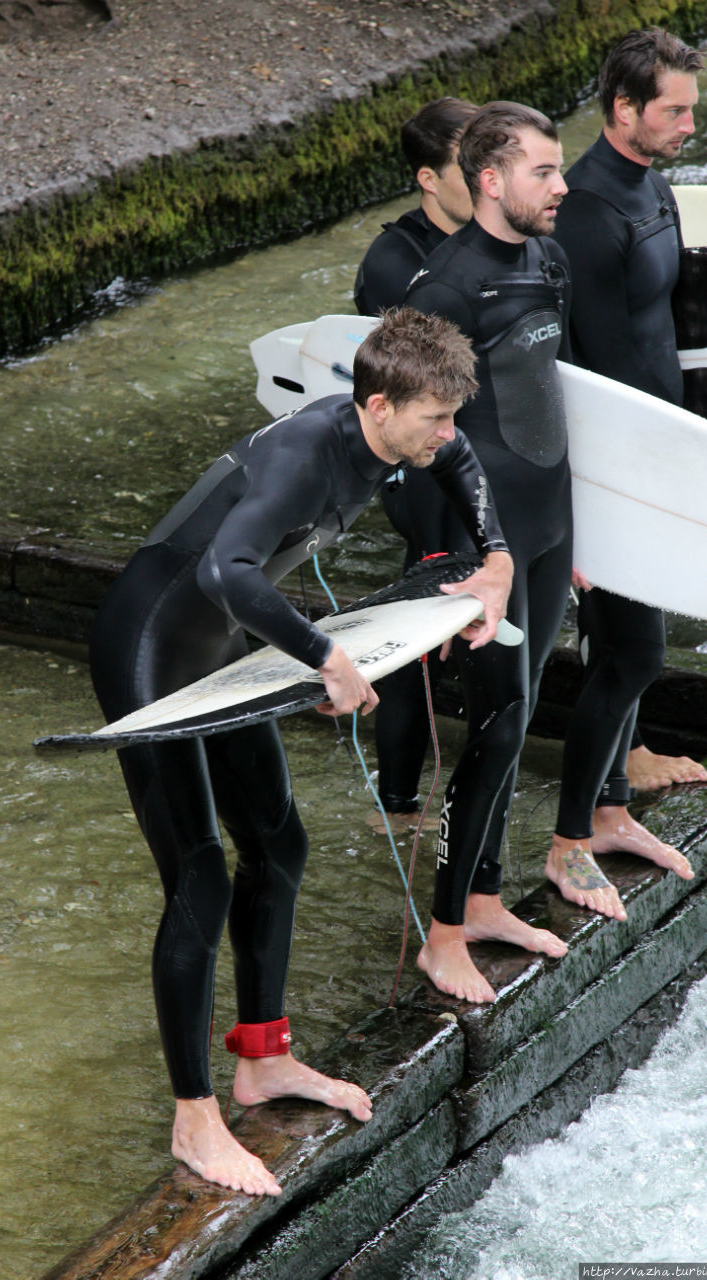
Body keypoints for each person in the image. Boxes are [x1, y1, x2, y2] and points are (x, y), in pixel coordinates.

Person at [89, 307, 514, 1196]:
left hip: (226, 646)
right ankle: (195, 1119)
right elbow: (226, 571)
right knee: (200, 871)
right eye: (434, 416)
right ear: (376, 403)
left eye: (449, 415)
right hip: (151, 647)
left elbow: (464, 461)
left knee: (280, 846)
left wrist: (498, 558)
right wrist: (323, 656)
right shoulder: (303, 454)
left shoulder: (402, 439)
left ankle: (263, 1060)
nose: (448, 433)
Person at [401, 101, 574, 1001]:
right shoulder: (444, 289)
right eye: (542, 171)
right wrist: (448, 577)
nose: (561, 184)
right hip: (486, 549)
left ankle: (485, 896)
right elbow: (421, 446)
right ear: (488, 181)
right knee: (496, 724)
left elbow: (561, 395)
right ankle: (443, 932)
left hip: (550, 526)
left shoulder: (547, 258)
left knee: (523, 712)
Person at [547, 28, 707, 920]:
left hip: (658, 453)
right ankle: (572, 838)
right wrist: (579, 503)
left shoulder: (649, 183)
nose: (689, 123)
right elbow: (570, 364)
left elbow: (664, 324)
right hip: (611, 470)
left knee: (624, 650)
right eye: (673, 109)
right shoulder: (583, 210)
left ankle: (606, 809)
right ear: (623, 110)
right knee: (633, 651)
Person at [353, 96, 477, 833]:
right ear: (429, 179)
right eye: (473, 166)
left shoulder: (497, 241)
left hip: (478, 458)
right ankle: (397, 808)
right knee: (419, 625)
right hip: (420, 463)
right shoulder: (394, 260)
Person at [353, 97, 476, 316]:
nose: (491, 183)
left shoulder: (519, 231)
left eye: (496, 164)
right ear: (429, 180)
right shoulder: (393, 263)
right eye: (470, 172)